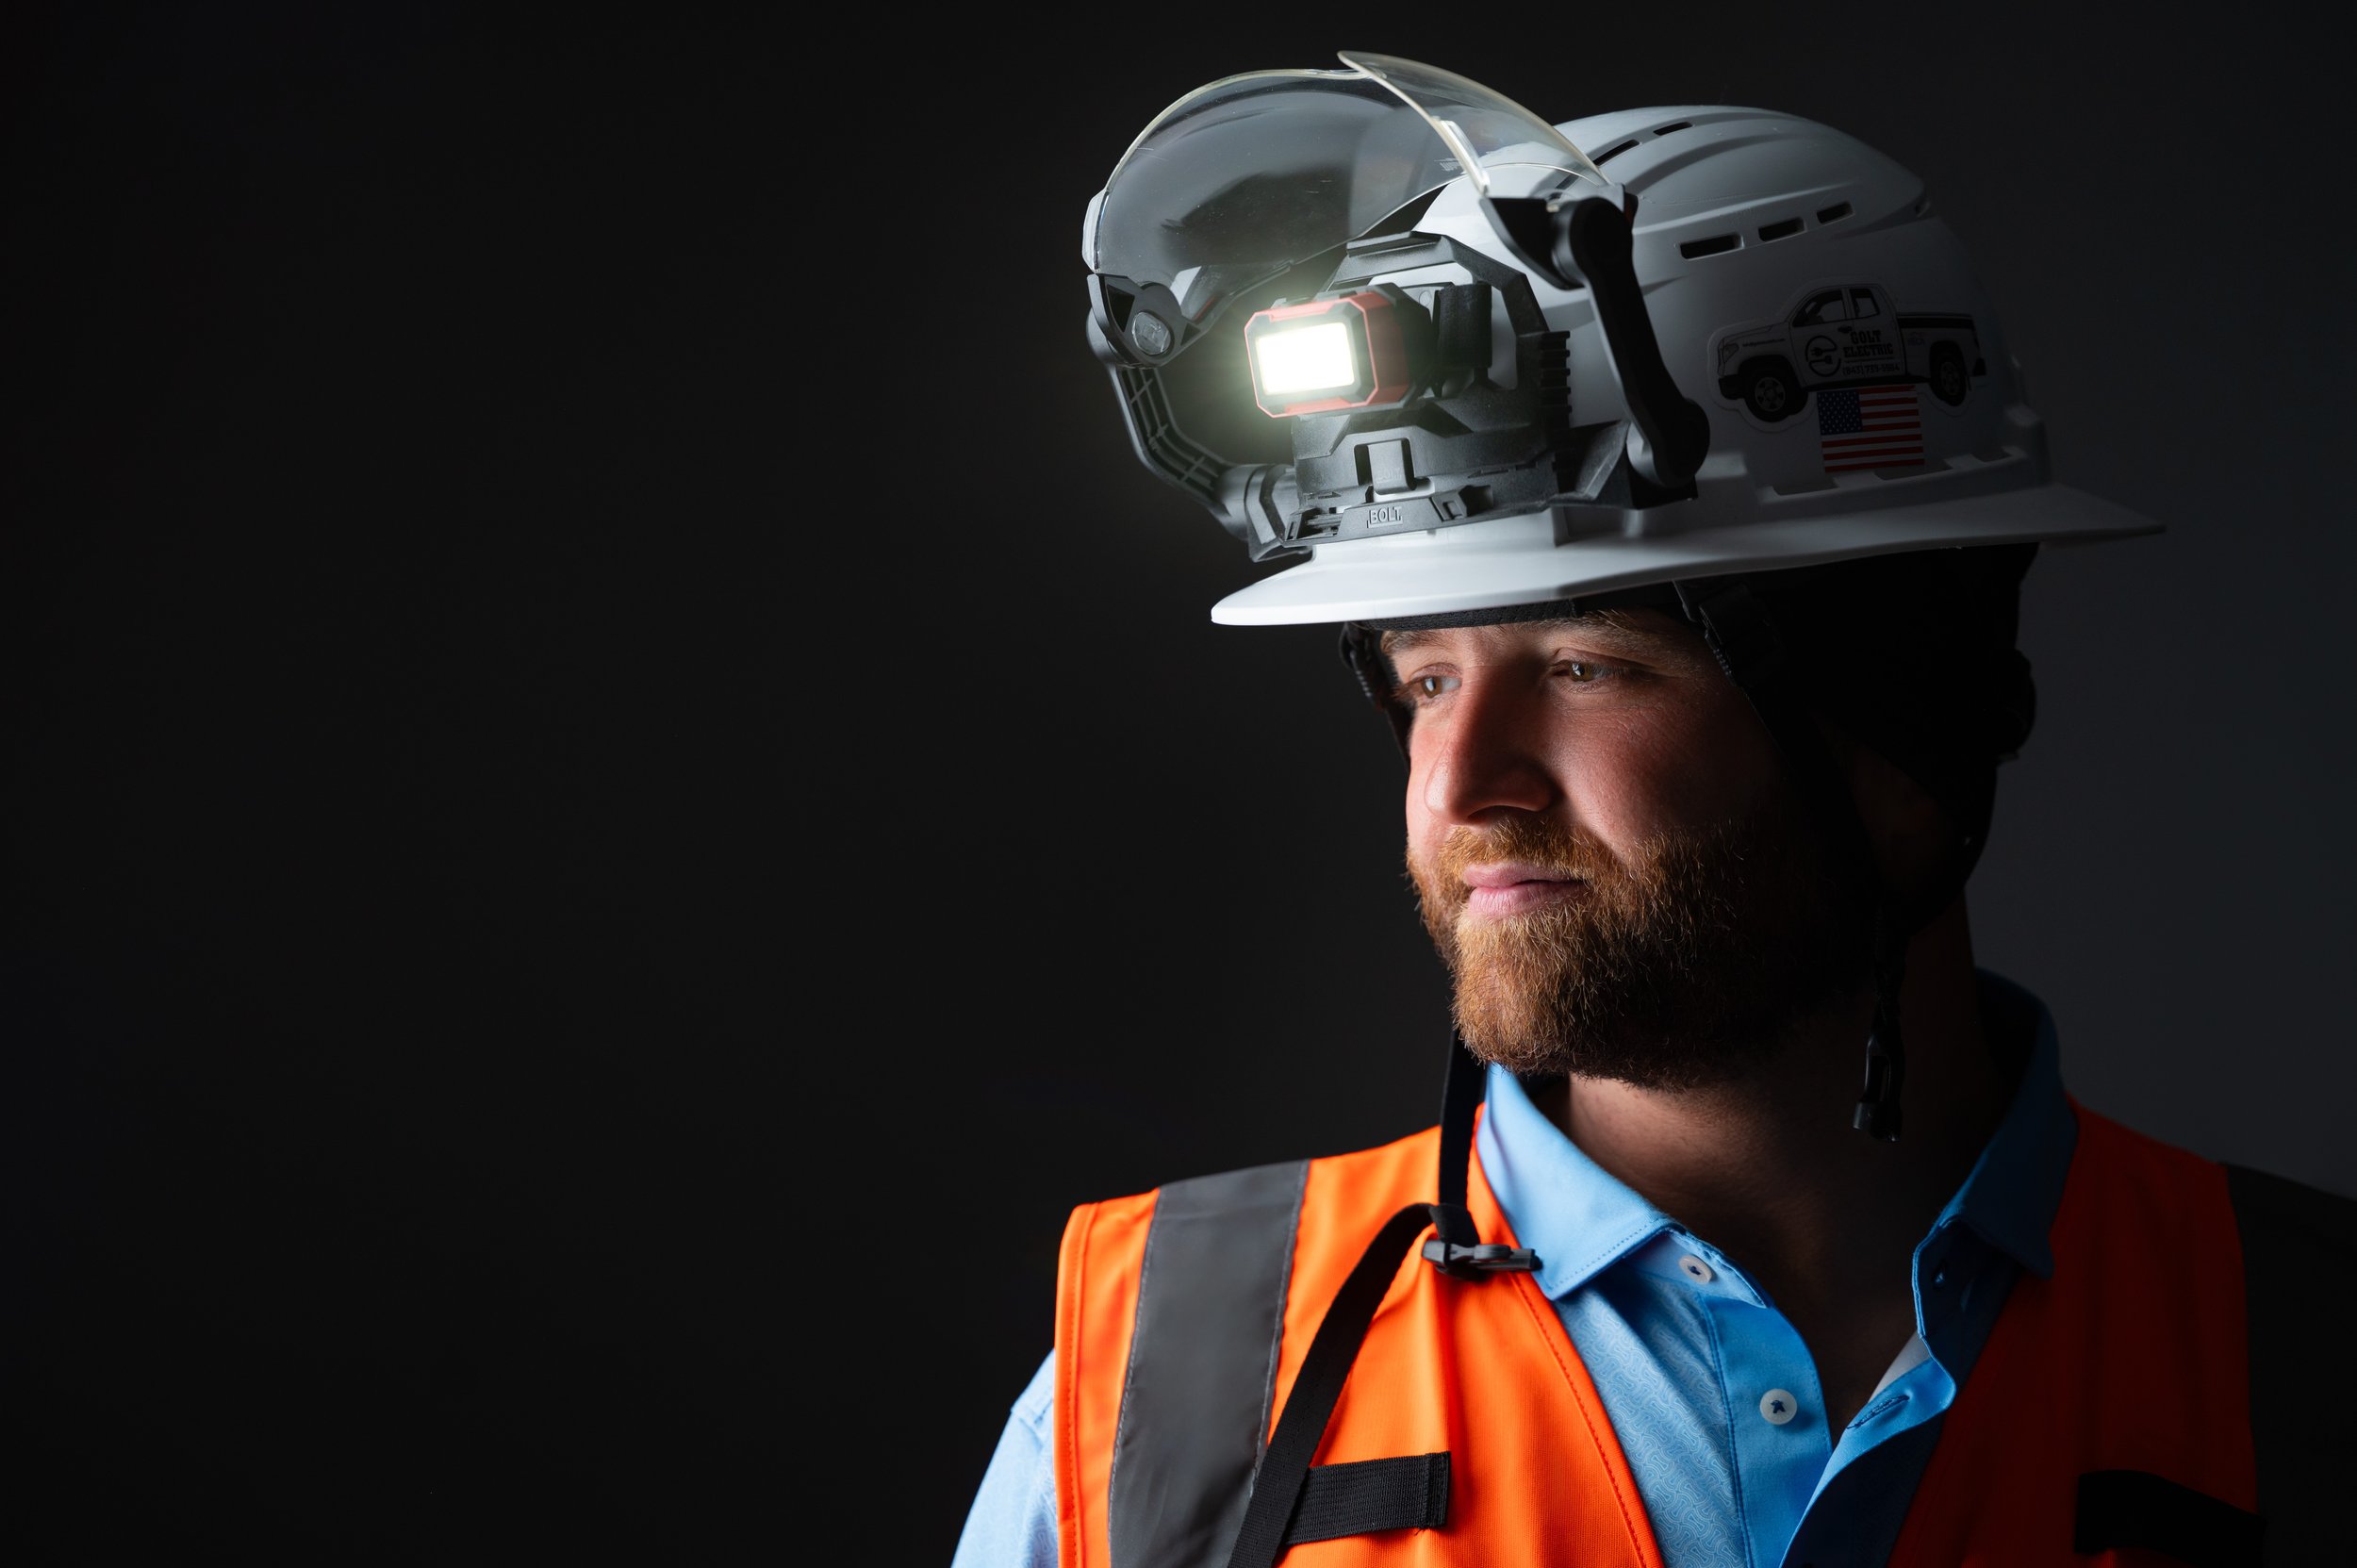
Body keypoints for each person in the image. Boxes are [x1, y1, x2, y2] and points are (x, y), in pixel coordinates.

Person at [956, 53, 2354, 1567]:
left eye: (1585, 665)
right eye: (1425, 681)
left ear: (1912, 704)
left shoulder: (2307, 1351)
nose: (1461, 785)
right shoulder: (1160, 1392)